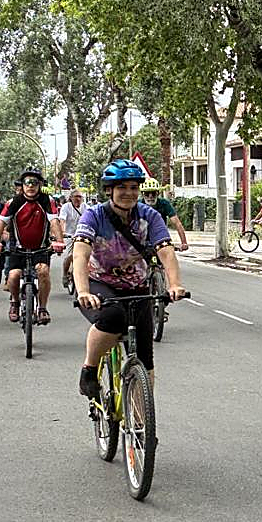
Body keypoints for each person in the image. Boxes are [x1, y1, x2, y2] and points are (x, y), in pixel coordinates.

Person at [73, 159, 187, 401]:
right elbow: (81, 253)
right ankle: (89, 370)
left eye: (134, 187)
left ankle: (140, 427)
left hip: (137, 287)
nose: (129, 193)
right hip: (99, 285)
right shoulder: (94, 216)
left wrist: (175, 284)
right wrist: (83, 291)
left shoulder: (150, 216)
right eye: (122, 187)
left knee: (145, 358)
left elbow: (165, 250)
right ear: (109, 190)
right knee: (113, 317)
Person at [0, 168, 64, 325]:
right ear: (22, 185)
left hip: (41, 248)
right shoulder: (13, 203)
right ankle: (15, 302)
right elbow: (1, 222)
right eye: (27, 182)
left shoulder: (47, 201)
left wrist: (59, 241)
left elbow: (54, 222)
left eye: (35, 183)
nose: (31, 186)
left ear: (40, 185)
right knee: (14, 275)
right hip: (18, 249)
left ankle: (43, 308)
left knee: (43, 271)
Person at [140, 180, 189, 251]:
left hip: (160, 237)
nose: (150, 197)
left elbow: (177, 223)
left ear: (158, 193)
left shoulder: (164, 204)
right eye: (147, 194)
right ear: (142, 194)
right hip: (142, 237)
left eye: (153, 193)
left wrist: (184, 243)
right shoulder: (138, 205)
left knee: (168, 257)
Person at [58, 189, 86, 288]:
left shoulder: (86, 207)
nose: (78, 199)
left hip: (83, 234)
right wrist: (62, 232)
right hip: (69, 235)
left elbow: (91, 219)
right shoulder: (66, 207)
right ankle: (65, 274)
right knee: (69, 255)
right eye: (76, 197)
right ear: (71, 198)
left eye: (80, 197)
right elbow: (62, 220)